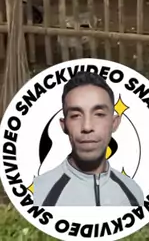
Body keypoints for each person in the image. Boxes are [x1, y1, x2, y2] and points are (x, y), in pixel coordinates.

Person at [32, 71, 143, 207]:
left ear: (114, 123)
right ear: (64, 125)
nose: (87, 126)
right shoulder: (37, 194)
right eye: (76, 115)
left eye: (99, 114)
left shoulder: (133, 193)